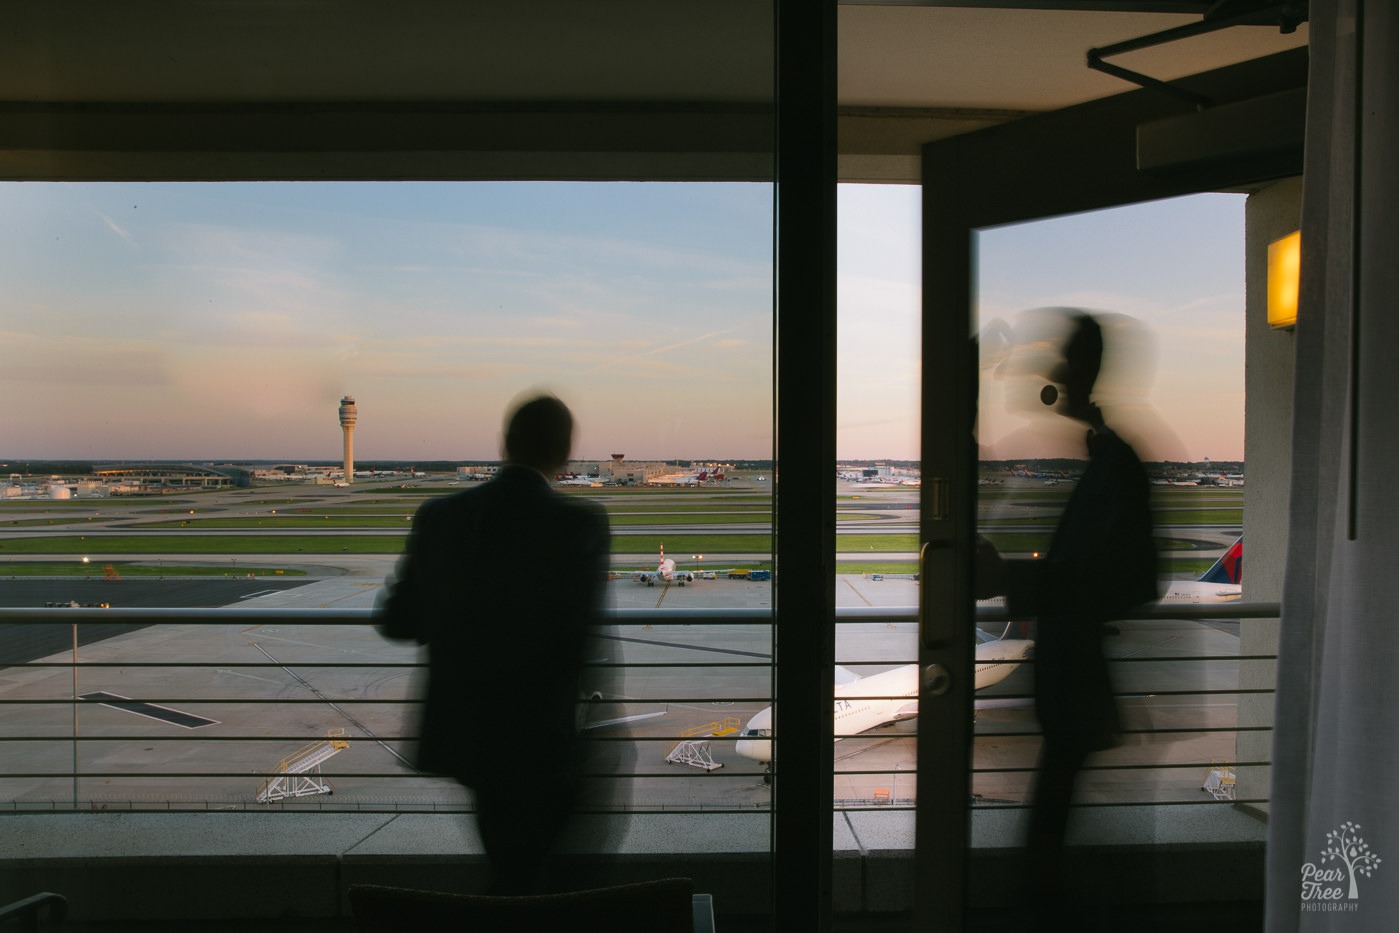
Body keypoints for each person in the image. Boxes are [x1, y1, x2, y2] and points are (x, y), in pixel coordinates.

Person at [378, 393, 612, 894]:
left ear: (504, 445)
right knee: (549, 875)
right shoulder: (581, 525)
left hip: (471, 737)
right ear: (566, 452)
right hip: (544, 738)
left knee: (509, 864)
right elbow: (580, 643)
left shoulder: (440, 517)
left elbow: (397, 621)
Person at [981, 311, 1157, 919]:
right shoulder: (1104, 456)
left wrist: (1014, 579)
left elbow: (1134, 581)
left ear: (1086, 370)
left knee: (1047, 846)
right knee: (1049, 836)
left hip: (1076, 680)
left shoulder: (1117, 464)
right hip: (1070, 681)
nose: (1053, 371)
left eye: (1065, 358)